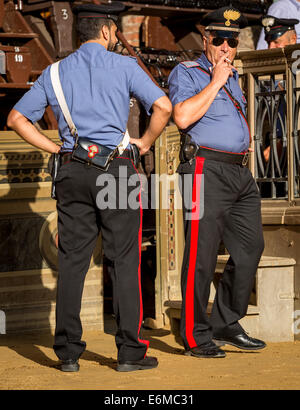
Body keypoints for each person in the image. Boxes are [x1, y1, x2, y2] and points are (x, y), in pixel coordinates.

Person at [7, 2, 172, 372]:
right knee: (125, 260)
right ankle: (130, 352)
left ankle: (67, 353)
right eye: (115, 31)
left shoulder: (53, 72)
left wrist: (56, 147)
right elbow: (163, 106)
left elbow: (16, 118)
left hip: (72, 169)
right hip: (117, 172)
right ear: (107, 31)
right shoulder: (125, 65)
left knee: (72, 261)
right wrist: (144, 143)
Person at [168, 6, 266, 358]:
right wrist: (216, 81)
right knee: (201, 256)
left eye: (233, 41)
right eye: (220, 39)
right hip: (204, 170)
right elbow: (182, 117)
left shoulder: (235, 77)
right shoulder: (188, 72)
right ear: (206, 39)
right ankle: (195, 335)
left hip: (239, 173)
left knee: (251, 247)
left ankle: (225, 320)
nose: (227, 47)